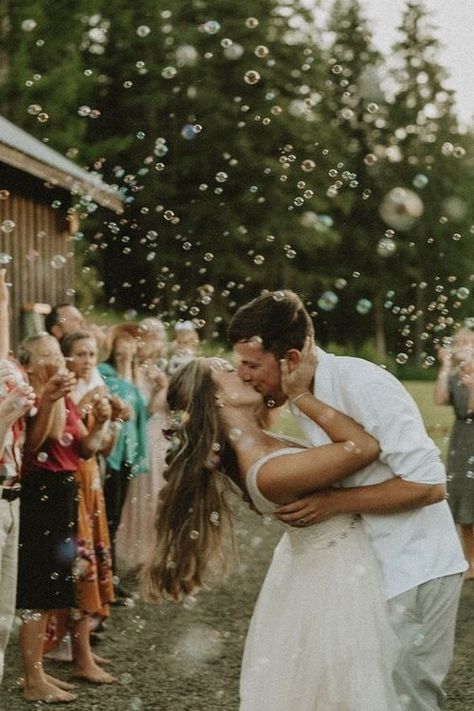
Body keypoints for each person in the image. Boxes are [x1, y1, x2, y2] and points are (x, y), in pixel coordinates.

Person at [228, 289, 467, 711]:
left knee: (409, 700)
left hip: (414, 567)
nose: (244, 375)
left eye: (251, 365)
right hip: (371, 571)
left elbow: (430, 486)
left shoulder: (362, 383)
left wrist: (336, 503)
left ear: (291, 360)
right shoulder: (302, 396)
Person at [141, 354, 400, 709]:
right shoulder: (265, 471)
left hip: (326, 568)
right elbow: (364, 447)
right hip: (335, 581)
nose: (244, 373)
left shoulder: (258, 443)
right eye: (230, 371)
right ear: (216, 398)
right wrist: (300, 395)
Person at [17, 333, 115, 702]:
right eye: (47, 355)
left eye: (59, 354)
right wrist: (52, 396)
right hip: (40, 490)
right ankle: (32, 679)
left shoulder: (61, 395)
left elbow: (85, 448)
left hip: (63, 490)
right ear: (27, 364)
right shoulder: (30, 395)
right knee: (38, 587)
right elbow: (41, 442)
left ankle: (40, 673)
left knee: (57, 584)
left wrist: (105, 421)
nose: (57, 360)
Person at [0, 269, 36, 685]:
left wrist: (5, 293)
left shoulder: (7, 368)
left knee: (4, 615)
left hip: (13, 499)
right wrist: (7, 413)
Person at [116, 318, 170, 573]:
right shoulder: (133, 371)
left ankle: (157, 552)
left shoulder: (162, 369)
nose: (154, 343)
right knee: (140, 497)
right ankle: (140, 555)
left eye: (159, 338)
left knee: (159, 498)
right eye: (150, 337)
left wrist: (164, 388)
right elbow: (141, 413)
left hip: (161, 441)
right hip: (142, 439)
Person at [98, 324, 148, 598]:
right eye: (124, 341)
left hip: (128, 453)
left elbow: (141, 409)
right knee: (107, 518)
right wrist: (125, 366)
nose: (128, 346)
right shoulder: (105, 373)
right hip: (111, 451)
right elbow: (121, 396)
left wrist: (131, 367)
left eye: (132, 342)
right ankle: (104, 582)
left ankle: (109, 579)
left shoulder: (133, 375)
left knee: (114, 520)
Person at [434, 327, 474, 579]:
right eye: (456, 341)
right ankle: (472, 561)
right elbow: (439, 399)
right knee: (463, 499)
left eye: (467, 341)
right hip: (463, 440)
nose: (460, 345)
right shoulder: (455, 374)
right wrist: (445, 367)